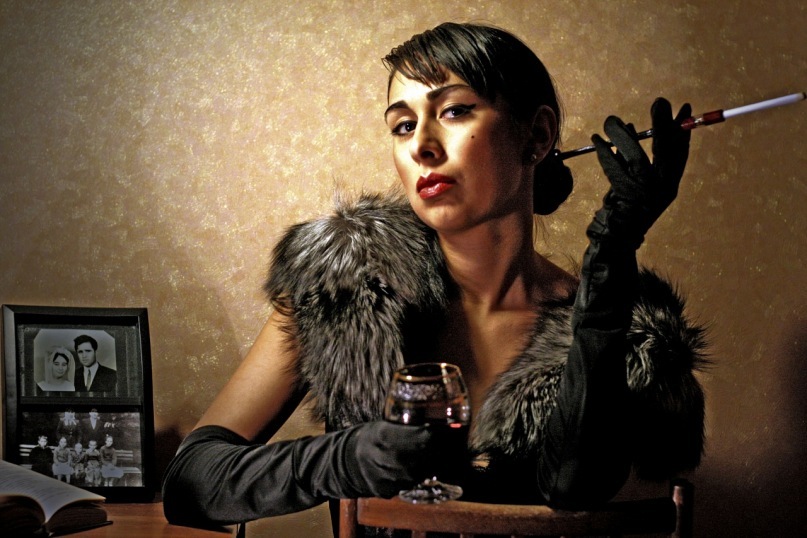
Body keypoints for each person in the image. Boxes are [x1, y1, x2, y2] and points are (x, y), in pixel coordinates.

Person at [162, 22, 707, 533]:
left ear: (537, 136)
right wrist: (349, 457)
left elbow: (576, 483)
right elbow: (192, 482)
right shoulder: (342, 288)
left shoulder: (632, 334)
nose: (421, 144)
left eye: (453, 111)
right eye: (403, 125)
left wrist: (611, 264)